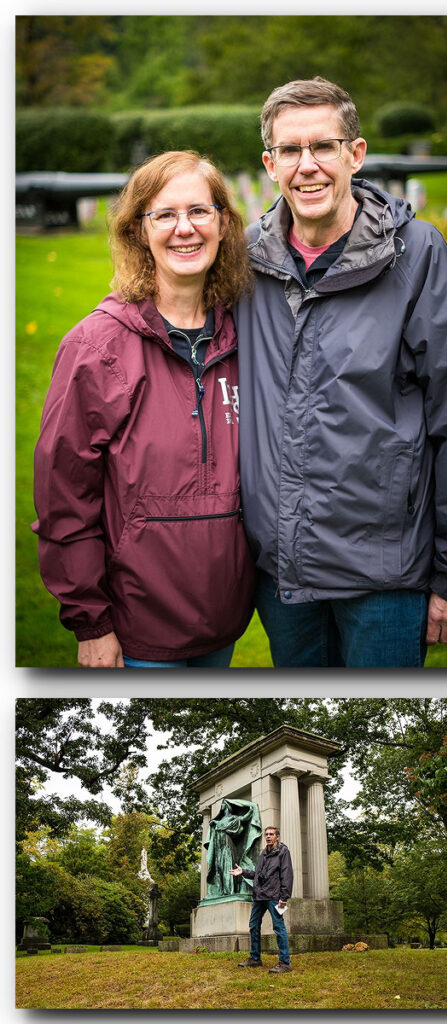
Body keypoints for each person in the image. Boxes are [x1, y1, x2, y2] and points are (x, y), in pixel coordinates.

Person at [236, 77, 447, 667]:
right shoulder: (245, 259)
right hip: (282, 575)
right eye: (291, 151)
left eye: (324, 147)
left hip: (386, 576)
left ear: (355, 154)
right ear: (270, 164)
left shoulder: (417, 253)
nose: (308, 166)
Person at [33, 151, 256, 668]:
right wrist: (91, 622)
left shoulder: (247, 339)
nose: (185, 229)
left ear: (224, 222)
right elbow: (65, 496)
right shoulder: (96, 348)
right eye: (165, 215)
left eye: (199, 211)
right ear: (139, 230)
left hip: (224, 621)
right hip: (136, 630)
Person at [233, 825, 293, 974]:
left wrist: (284, 897)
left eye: (271, 834)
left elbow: (287, 875)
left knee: (279, 928)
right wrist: (243, 872)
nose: (268, 836)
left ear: (277, 837)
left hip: (274, 897)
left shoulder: (283, 852)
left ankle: (285, 962)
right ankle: (255, 958)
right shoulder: (263, 854)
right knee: (253, 925)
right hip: (259, 896)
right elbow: (258, 874)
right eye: (266, 834)